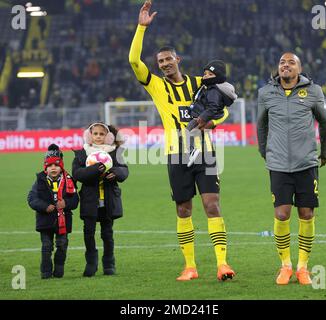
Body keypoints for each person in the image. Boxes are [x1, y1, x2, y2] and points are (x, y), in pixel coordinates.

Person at [129, 0, 235, 281]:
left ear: (178, 60)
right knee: (183, 208)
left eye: (168, 59)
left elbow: (224, 107)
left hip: (205, 154)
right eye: (160, 62)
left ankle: (222, 263)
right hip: (176, 155)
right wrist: (141, 28)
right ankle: (190, 267)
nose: (164, 64)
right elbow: (132, 61)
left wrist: (213, 122)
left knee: (212, 204)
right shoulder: (155, 85)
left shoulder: (201, 83)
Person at [257, 52, 326, 285]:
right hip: (278, 164)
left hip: (306, 164)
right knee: (282, 213)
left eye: (291, 62)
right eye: (281, 62)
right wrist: (264, 151)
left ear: (299, 68)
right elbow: (261, 124)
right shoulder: (266, 93)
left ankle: (303, 267)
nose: (285, 65)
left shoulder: (313, 91)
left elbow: (325, 123)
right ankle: (285, 265)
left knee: (306, 214)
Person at [72, 122, 128, 277]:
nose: (98, 137)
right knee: (89, 233)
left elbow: (124, 171)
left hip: (108, 200)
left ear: (108, 136)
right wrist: (94, 170)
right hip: (90, 200)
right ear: (90, 135)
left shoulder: (114, 153)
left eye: (101, 134)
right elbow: (77, 174)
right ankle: (91, 263)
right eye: (95, 134)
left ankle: (109, 263)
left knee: (107, 234)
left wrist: (115, 173)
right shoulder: (82, 153)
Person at [28, 144, 79, 279]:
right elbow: (32, 199)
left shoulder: (69, 181)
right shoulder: (39, 181)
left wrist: (66, 203)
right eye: (50, 166)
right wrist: (45, 206)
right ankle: (45, 272)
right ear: (46, 168)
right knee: (46, 246)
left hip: (64, 220)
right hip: (45, 221)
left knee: (62, 245)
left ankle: (59, 269)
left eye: (56, 165)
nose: (53, 168)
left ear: (61, 166)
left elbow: (75, 200)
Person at [186, 59, 237, 167]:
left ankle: (193, 152)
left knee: (190, 131)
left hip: (206, 116)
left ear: (218, 77)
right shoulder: (209, 88)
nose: (205, 76)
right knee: (195, 132)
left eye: (210, 74)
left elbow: (213, 107)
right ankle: (194, 152)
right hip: (206, 115)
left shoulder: (213, 90)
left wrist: (203, 117)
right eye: (205, 73)